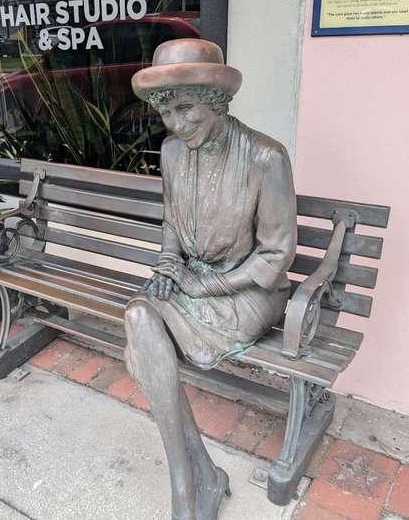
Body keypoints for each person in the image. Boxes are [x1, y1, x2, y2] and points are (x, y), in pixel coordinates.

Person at [124, 39, 297, 520]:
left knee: (147, 336)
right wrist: (166, 266)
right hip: (192, 279)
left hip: (248, 291)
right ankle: (191, 478)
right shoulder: (173, 152)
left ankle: (196, 483)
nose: (177, 125)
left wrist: (210, 286)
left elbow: (276, 254)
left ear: (215, 101)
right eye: (167, 114)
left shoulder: (266, 157)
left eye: (186, 109)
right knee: (140, 317)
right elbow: (172, 223)